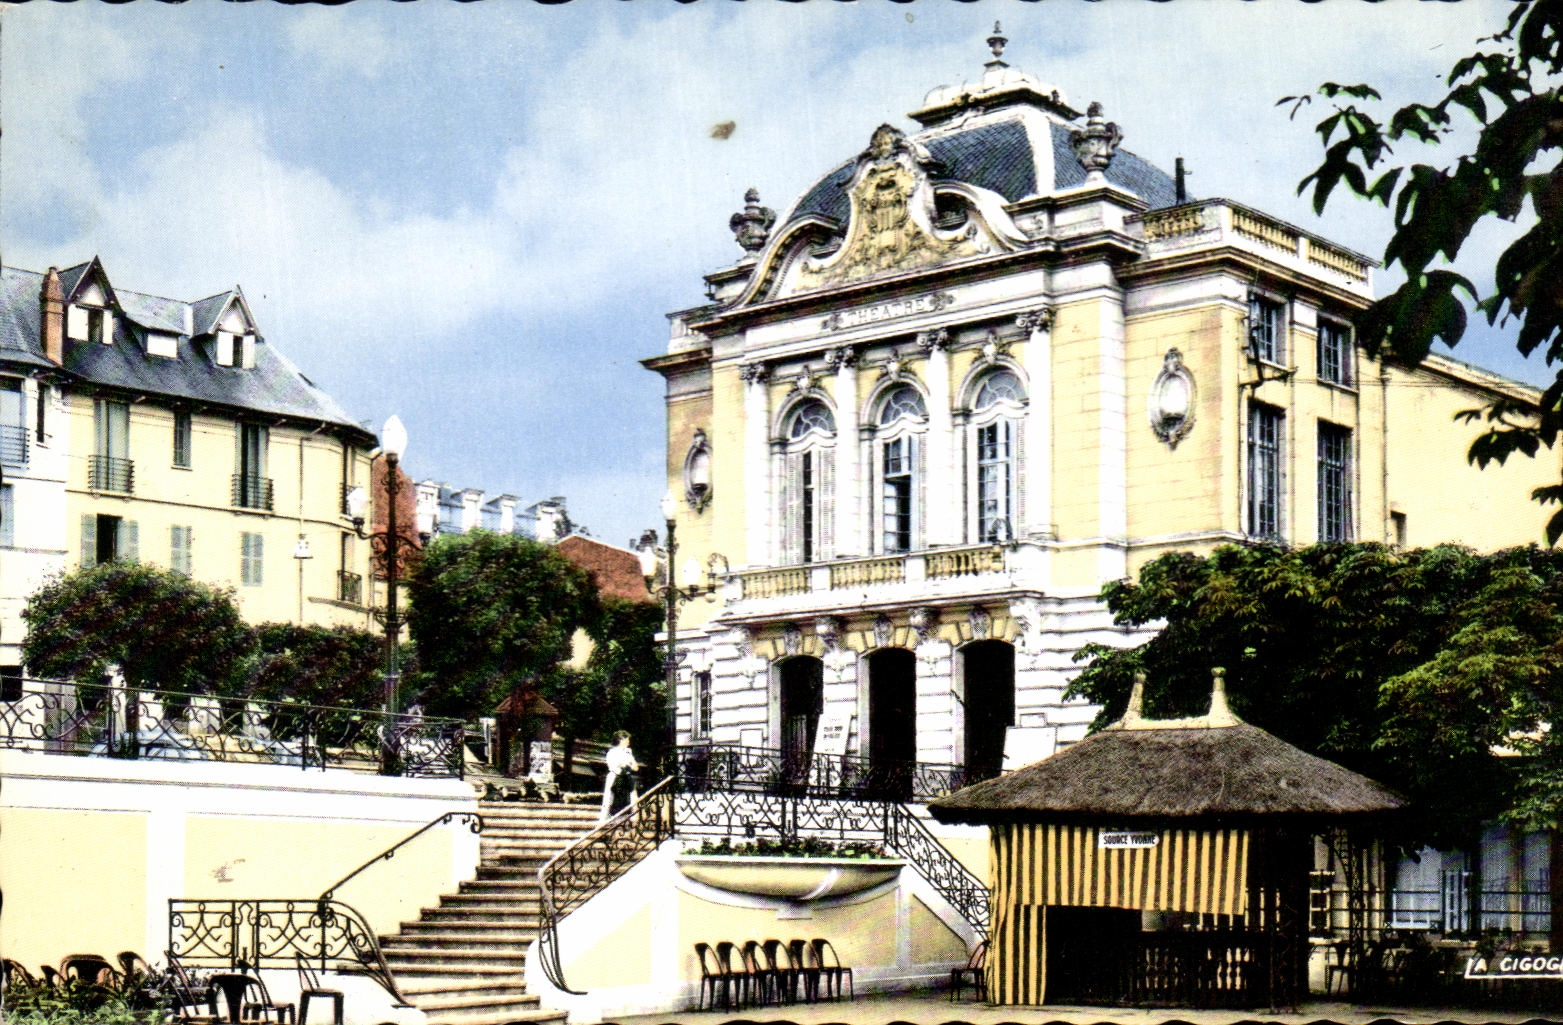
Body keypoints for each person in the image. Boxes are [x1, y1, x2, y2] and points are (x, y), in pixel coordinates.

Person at [600, 730, 639, 822]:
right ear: (621, 740)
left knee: (633, 797)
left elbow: (635, 767)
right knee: (609, 797)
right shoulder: (612, 752)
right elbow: (612, 766)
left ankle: (634, 817)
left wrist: (630, 763)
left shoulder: (628, 752)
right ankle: (603, 819)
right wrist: (624, 765)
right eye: (627, 739)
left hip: (626, 776)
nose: (629, 741)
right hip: (615, 776)